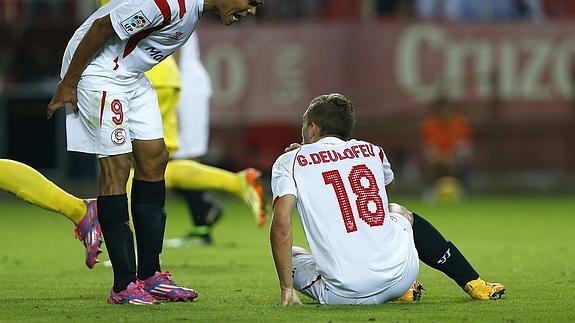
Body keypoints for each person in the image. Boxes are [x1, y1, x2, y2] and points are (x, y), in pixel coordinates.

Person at [46, 0, 264, 305]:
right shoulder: (167, 4)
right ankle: (123, 286)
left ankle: (150, 276)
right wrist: (69, 83)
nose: (251, 11)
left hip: (132, 78)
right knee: (117, 168)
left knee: (155, 159)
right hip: (100, 75)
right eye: (251, 2)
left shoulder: (194, 11)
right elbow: (101, 26)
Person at [270, 93, 505, 305]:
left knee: (293, 255)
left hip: (343, 294)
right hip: (401, 276)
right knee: (398, 211)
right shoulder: (372, 151)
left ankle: (300, 289)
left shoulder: (290, 161)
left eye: (304, 125)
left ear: (313, 129)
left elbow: (281, 224)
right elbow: (384, 185)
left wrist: (286, 289)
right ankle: (473, 282)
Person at [421, 96, 472, 201]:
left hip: (455, 158)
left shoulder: (460, 123)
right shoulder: (430, 125)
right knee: (433, 164)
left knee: (454, 164)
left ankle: (460, 191)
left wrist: (451, 156)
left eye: (446, 109)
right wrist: (439, 157)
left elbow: (463, 147)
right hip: (437, 158)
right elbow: (428, 147)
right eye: (441, 110)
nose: (444, 113)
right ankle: (430, 191)